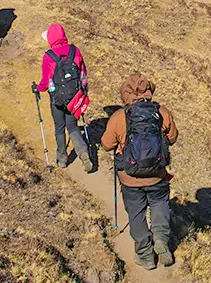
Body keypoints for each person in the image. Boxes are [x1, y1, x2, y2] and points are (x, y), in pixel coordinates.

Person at [102, 73, 179, 270]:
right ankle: (161, 238)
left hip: (130, 177)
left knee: (136, 213)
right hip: (157, 174)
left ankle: (145, 255)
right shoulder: (161, 112)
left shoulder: (119, 117)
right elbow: (172, 138)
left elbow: (106, 144)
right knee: (160, 204)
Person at [34, 24, 94, 173]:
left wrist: (37, 88)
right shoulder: (75, 51)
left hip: (57, 99)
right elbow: (83, 73)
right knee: (72, 126)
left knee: (59, 127)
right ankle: (84, 153)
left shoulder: (49, 56)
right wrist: (83, 91)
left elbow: (45, 81)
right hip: (74, 96)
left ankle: (62, 159)